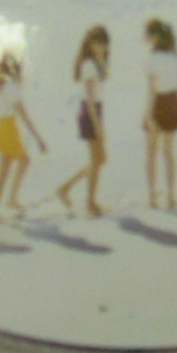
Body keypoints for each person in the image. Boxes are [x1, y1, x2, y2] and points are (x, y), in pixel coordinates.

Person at [0, 51, 46, 220]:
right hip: (7, 127)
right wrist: (38, 138)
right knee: (4, 170)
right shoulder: (12, 87)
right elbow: (24, 115)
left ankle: (10, 199)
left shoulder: (1, 85)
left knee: (22, 161)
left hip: (1, 125)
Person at [58, 26, 110, 216]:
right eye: (97, 44)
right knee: (98, 159)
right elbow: (88, 98)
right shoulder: (88, 65)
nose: (100, 47)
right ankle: (90, 202)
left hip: (95, 110)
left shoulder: (96, 63)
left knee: (99, 159)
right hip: (90, 112)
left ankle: (67, 189)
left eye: (103, 44)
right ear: (89, 44)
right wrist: (97, 125)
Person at [143, 18, 177, 209]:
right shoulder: (174, 56)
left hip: (159, 101)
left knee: (152, 151)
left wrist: (148, 114)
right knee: (168, 152)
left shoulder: (153, 59)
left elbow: (152, 89)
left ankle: (153, 196)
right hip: (173, 101)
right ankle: (171, 195)